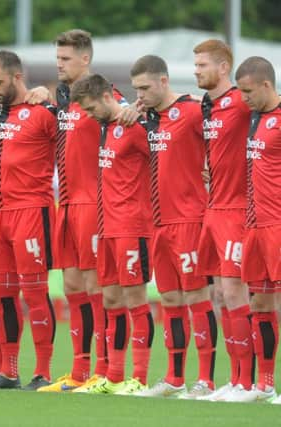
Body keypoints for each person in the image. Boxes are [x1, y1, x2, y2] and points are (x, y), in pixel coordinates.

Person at [130, 55, 218, 398]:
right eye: (136, 89)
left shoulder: (192, 110)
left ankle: (206, 380)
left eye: (146, 88)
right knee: (168, 298)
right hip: (158, 223)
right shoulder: (145, 119)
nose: (140, 95)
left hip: (189, 219)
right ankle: (174, 378)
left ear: (164, 82)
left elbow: (225, 132)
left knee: (197, 296)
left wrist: (214, 167)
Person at [37, 29, 119, 393]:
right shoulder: (65, 99)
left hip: (93, 204)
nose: (59, 65)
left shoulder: (106, 96)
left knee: (95, 286)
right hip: (66, 204)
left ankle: (103, 371)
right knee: (71, 286)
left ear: (85, 59)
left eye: (66, 59)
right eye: (57, 59)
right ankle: (78, 372)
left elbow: (126, 117)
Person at [0, 50, 57, 390]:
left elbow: (75, 136)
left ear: (17, 77)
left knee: (35, 293)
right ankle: (9, 371)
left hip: (32, 211)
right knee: (3, 294)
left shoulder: (43, 113)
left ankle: (42, 372)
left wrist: (49, 93)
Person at [70, 74, 154, 395]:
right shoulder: (108, 126)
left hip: (132, 226)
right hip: (107, 227)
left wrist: (142, 112)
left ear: (107, 97)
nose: (88, 115)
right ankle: (114, 377)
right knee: (111, 299)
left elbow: (165, 155)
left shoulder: (137, 126)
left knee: (136, 300)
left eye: (91, 108)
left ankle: (140, 378)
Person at [192, 40, 254, 401]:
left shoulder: (242, 100)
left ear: (223, 66)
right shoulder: (207, 107)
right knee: (218, 293)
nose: (197, 70)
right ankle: (234, 380)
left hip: (236, 211)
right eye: (196, 64)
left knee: (235, 292)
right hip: (212, 211)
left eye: (202, 65)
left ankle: (248, 382)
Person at [234, 56, 280, 403]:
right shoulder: (254, 118)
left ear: (266, 85)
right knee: (260, 303)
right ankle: (265, 385)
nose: (244, 98)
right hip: (255, 226)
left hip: (278, 225)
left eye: (248, 91)